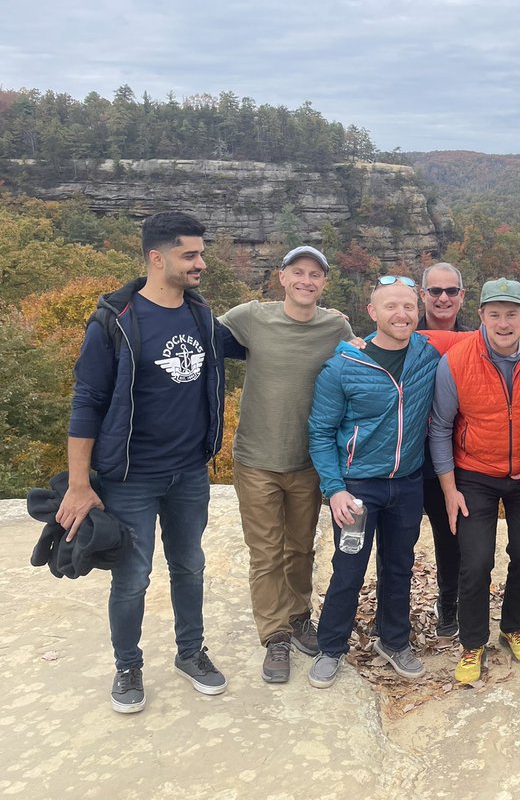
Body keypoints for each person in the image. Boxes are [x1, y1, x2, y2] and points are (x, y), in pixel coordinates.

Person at [55, 211, 239, 713]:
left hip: (189, 473)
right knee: (133, 577)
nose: (201, 263)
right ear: (157, 259)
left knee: (190, 565)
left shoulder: (200, 315)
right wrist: (78, 484)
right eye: (191, 255)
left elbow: (249, 346)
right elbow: (87, 400)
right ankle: (128, 665)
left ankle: (190, 652)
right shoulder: (114, 320)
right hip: (130, 477)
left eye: (201, 253)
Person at [219, 245, 352, 683]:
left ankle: (298, 617)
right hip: (257, 458)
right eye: (298, 272)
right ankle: (274, 635)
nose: (306, 281)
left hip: (310, 461)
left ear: (324, 282)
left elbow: (364, 363)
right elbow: (199, 335)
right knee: (266, 553)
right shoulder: (252, 316)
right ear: (282, 277)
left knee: (301, 548)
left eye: (315, 274)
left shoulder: (335, 325)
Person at [306, 276, 441, 687]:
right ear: (372, 312)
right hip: (358, 488)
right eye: (390, 307)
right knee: (348, 568)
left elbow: (485, 340)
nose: (401, 314)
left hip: (406, 483)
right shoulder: (344, 365)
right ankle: (331, 647)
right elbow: (320, 432)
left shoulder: (427, 354)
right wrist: (335, 488)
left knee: (399, 566)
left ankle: (394, 640)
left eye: (408, 306)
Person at [429, 278, 520, 684]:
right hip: (475, 473)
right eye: (494, 314)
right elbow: (440, 427)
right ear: (481, 316)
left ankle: (513, 627)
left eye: (511, 314)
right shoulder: (458, 360)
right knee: (476, 560)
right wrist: (450, 489)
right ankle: (473, 643)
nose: (503, 323)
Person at [416, 261, 475, 639]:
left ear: (461, 296)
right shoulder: (401, 332)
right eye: (434, 291)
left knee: (451, 533)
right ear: (422, 295)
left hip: (455, 455)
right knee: (397, 540)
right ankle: (392, 616)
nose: (442, 298)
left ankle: (448, 603)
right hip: (406, 454)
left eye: (451, 291)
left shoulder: (476, 339)